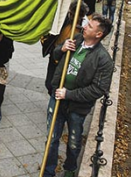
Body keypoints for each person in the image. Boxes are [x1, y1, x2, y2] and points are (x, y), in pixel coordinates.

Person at [44, 14, 113, 177]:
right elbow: (54, 55)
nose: (84, 26)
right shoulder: (76, 39)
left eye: (89, 26)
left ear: (98, 34)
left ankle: (70, 168)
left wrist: (69, 94)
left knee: (74, 142)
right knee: (52, 139)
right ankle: (48, 171)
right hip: (57, 99)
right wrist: (61, 49)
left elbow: (97, 89)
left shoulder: (103, 60)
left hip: (77, 108)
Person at [42, 1, 89, 96]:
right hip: (56, 54)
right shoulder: (62, 20)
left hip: (70, 59)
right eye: (71, 14)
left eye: (77, 15)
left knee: (62, 84)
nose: (72, 16)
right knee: (50, 83)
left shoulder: (85, 26)